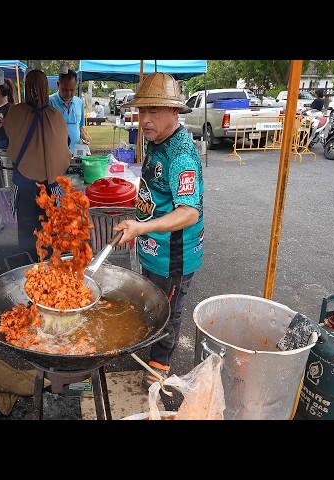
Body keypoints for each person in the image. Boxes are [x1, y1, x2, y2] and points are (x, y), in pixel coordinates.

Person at [113, 72, 204, 389]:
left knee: (169, 309)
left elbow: (189, 212)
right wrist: (138, 223)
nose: (145, 119)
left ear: (175, 112)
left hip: (174, 254)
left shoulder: (181, 155)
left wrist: (141, 226)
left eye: (154, 111)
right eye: (142, 111)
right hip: (152, 247)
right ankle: (150, 347)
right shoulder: (154, 141)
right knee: (151, 300)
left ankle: (161, 362)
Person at [4, 69, 71, 261]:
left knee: (27, 234)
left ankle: (28, 270)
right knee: (50, 231)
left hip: (25, 186)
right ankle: (49, 270)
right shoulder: (56, 116)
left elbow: (8, 136)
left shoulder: (15, 112)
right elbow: (64, 147)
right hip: (51, 187)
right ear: (46, 87)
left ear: (26, 87)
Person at [48, 69, 90, 153]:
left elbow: (80, 127)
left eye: (72, 90)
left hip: (76, 153)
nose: (68, 93)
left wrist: (84, 136)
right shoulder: (49, 102)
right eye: (65, 90)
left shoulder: (79, 103)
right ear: (58, 84)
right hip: (55, 153)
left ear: (76, 86)